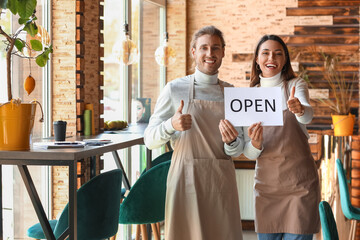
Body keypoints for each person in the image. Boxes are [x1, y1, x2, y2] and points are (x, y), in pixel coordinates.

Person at [144, 25, 261, 240]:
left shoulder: (233, 94)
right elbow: (150, 140)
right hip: (185, 181)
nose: (210, 54)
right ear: (193, 52)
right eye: (204, 48)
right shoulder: (174, 89)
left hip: (221, 182)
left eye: (215, 48)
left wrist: (231, 141)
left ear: (223, 52)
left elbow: (237, 151)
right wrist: (171, 124)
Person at [246, 34, 320, 240]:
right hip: (266, 188)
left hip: (300, 186)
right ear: (257, 59)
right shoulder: (250, 96)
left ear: (285, 59)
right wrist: (256, 143)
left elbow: (307, 115)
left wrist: (299, 109)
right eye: (266, 53)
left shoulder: (296, 85)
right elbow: (249, 152)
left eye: (278, 54)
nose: (272, 58)